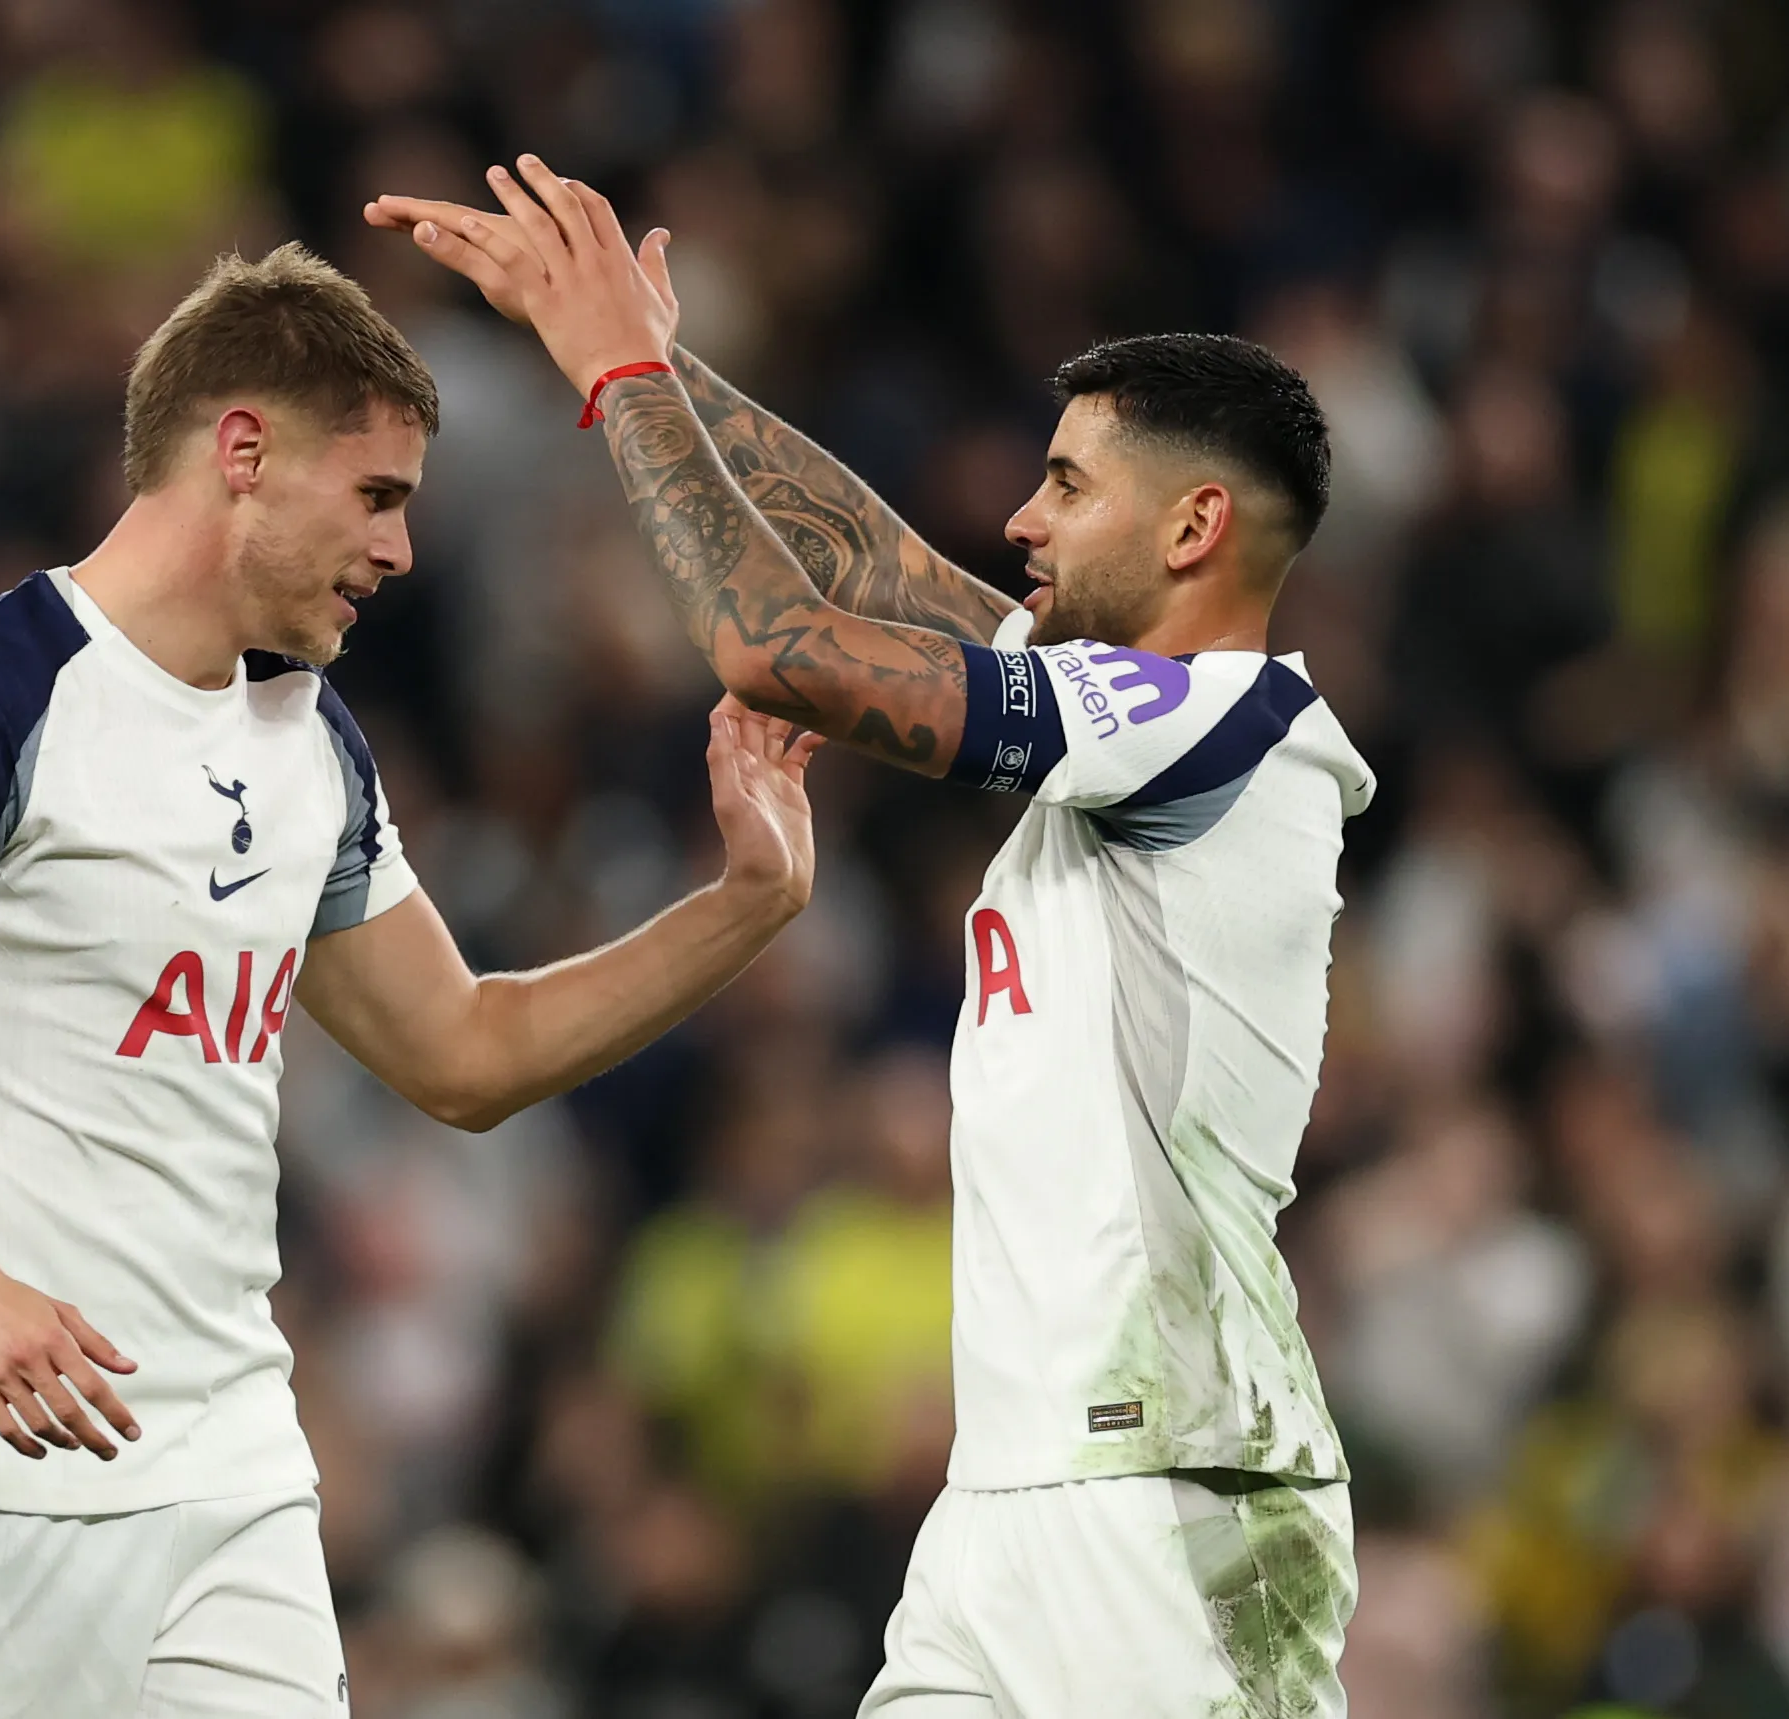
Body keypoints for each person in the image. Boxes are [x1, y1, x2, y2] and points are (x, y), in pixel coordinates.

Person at [0, 241, 821, 1716]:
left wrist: (746, 904)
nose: (402, 551)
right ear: (243, 450)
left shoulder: (310, 744)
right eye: (378, 496)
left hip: (225, 1461)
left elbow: (466, 1051)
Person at [372, 160, 1373, 1717]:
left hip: (1176, 1491)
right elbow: (872, 565)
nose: (1018, 513)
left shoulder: (1233, 730)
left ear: (1195, 524)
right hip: (1010, 1494)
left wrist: (619, 373)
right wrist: (649, 346)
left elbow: (777, 640)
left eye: (1066, 485)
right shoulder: (1117, 730)